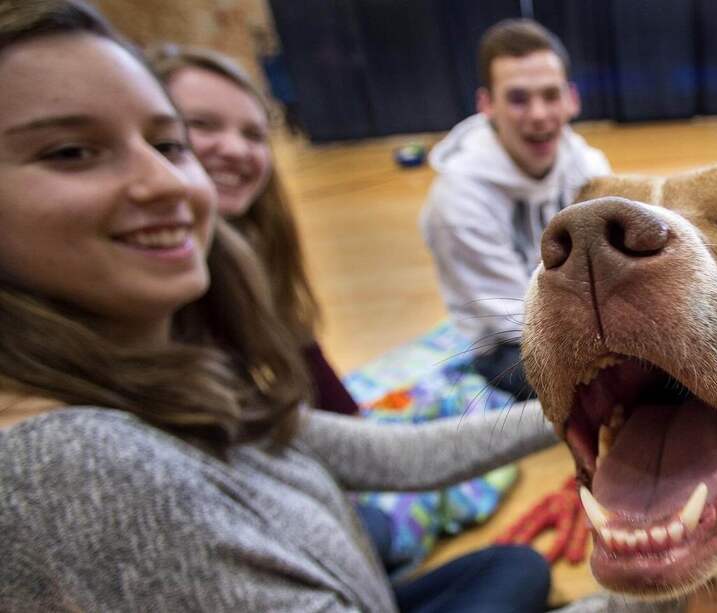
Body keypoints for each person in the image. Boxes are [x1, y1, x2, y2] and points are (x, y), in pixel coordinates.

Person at [0, 2, 558, 610]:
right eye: (69, 153)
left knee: (515, 566)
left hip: (353, 573)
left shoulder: (170, 362)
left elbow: (365, 447)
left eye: (166, 143)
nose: (166, 181)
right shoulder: (79, 464)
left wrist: (584, 405)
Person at [147, 43, 358, 417]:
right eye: (201, 124)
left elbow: (307, 363)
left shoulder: (255, 243)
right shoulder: (150, 285)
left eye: (253, 134)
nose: (234, 149)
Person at [419, 18, 612, 401]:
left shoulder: (588, 166)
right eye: (519, 98)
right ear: (487, 105)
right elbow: (513, 320)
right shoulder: (458, 198)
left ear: (572, 98)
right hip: (508, 341)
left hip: (584, 316)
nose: (539, 114)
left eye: (550, 95)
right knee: (610, 390)